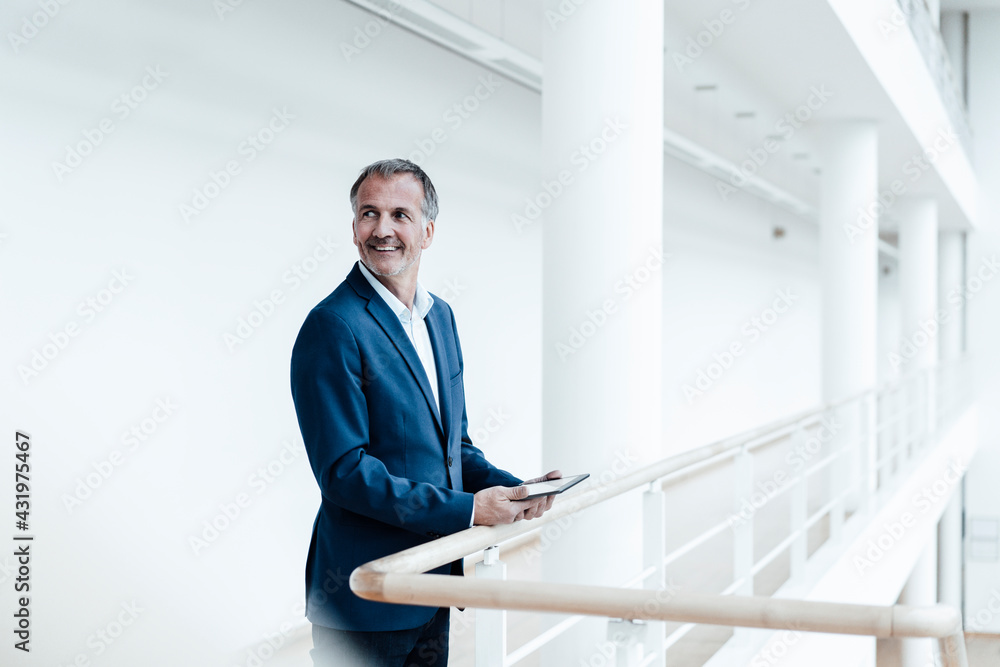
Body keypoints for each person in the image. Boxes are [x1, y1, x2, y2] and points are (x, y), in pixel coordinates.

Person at [290, 158, 561, 666]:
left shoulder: (441, 318)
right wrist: (471, 511)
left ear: (428, 231)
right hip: (365, 595)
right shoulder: (333, 326)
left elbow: (453, 447)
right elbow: (345, 474)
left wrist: (516, 490)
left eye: (400, 214)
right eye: (369, 213)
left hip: (434, 583)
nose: (383, 229)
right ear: (353, 227)